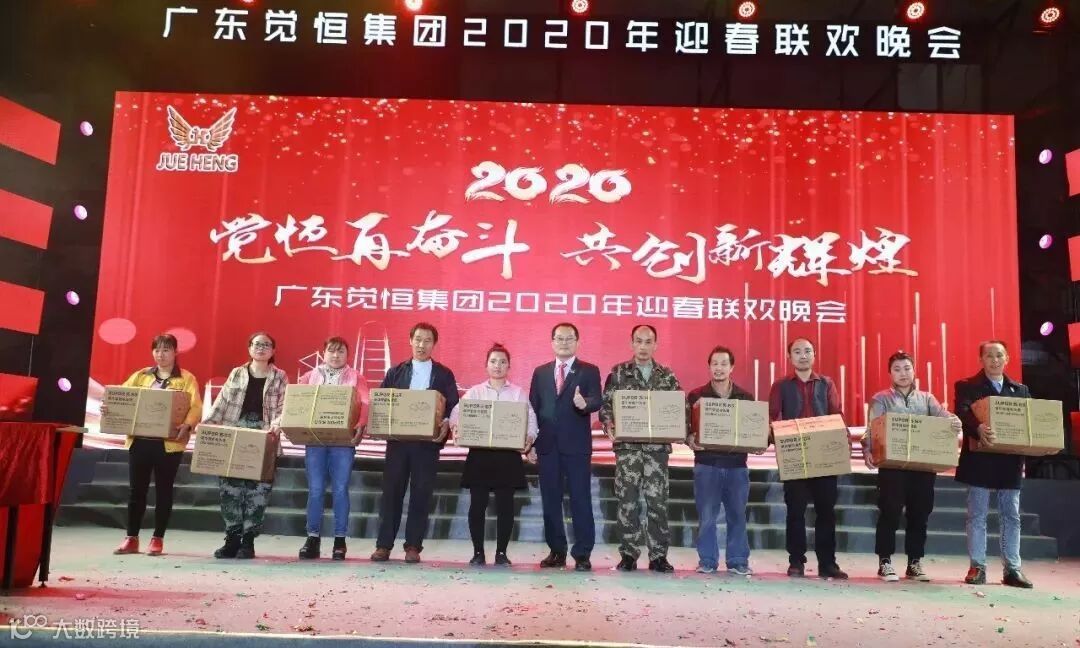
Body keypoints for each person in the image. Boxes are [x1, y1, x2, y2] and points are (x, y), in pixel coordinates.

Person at [863, 351, 962, 582]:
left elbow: (944, 418)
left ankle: (914, 562)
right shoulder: (881, 399)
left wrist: (954, 421)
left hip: (922, 467)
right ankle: (884, 561)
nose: (903, 373)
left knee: (920, 514)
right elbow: (873, 428)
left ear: (914, 370)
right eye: (897, 369)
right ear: (890, 373)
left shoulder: (927, 399)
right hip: (892, 468)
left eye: (907, 368)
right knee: (890, 513)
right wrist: (868, 449)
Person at [370, 323, 459, 564]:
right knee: (391, 493)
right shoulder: (395, 372)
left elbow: (453, 405)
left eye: (427, 340)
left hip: (427, 445)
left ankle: (413, 546)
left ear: (434, 344)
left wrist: (446, 423)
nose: (422, 345)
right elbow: (381, 402)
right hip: (398, 443)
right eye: (418, 339)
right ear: (410, 341)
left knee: (421, 494)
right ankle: (383, 545)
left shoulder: (443, 374)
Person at [109, 333, 203, 557]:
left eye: (166, 350)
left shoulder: (186, 378)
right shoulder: (141, 376)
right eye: (157, 350)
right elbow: (121, 396)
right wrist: (110, 407)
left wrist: (188, 424)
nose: (161, 355)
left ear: (175, 352)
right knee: (136, 491)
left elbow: (195, 407)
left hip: (168, 445)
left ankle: (157, 538)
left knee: (164, 491)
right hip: (140, 442)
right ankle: (131, 538)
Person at [600, 324, 681, 573]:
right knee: (628, 503)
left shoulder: (667, 375)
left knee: (658, 503)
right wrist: (608, 424)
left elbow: (679, 409)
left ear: (656, 345)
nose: (643, 346)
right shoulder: (618, 373)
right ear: (631, 343)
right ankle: (628, 555)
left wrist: (680, 428)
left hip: (656, 452)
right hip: (628, 451)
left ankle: (659, 556)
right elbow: (606, 406)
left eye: (648, 341)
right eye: (638, 341)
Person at [449, 343, 538, 567]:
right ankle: (478, 552)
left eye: (502, 362)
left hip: (507, 457)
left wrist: (529, 438)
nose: (498, 365)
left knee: (506, 507)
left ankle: (501, 553)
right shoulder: (475, 392)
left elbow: (531, 419)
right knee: (477, 506)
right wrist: (456, 427)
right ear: (486, 365)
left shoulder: (518, 393)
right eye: (493, 361)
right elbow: (457, 413)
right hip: (480, 456)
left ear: (509, 366)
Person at [767, 337, 850, 579]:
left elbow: (836, 415)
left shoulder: (826, 384)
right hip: (795, 457)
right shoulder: (781, 386)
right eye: (797, 351)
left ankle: (828, 563)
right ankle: (796, 561)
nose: (803, 355)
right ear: (789, 357)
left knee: (826, 512)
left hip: (824, 456)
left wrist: (843, 442)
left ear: (814, 355)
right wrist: (771, 434)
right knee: (795, 512)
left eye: (807, 351)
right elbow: (772, 417)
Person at [954, 340, 1034, 588]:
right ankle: (977, 567)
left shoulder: (1020, 390)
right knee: (977, 515)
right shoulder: (967, 386)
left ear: (1007, 358)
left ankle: (1013, 569)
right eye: (989, 355)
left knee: (1011, 515)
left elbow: (1029, 422)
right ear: (981, 359)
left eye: (999, 355)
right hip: (979, 459)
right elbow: (963, 411)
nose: (994, 360)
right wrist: (978, 427)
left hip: (1009, 462)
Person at [204, 332, 288, 559]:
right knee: (229, 490)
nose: (261, 348)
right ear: (249, 348)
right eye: (256, 344)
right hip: (235, 433)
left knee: (258, 492)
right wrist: (207, 425)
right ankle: (232, 539)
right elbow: (222, 401)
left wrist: (276, 426)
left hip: (264, 435)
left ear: (273, 351)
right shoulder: (237, 373)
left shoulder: (280, 376)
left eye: (266, 345)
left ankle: (248, 541)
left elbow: (284, 407)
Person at [529, 322, 602, 572]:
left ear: (577, 342)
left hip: (576, 447)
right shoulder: (540, 372)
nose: (564, 343)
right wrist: (531, 442)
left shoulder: (589, 370)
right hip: (547, 446)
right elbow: (533, 408)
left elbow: (597, 400)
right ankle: (556, 551)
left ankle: (582, 554)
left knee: (581, 499)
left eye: (569, 338)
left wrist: (585, 404)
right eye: (559, 338)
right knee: (550, 500)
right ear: (552, 342)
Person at [291, 336, 369, 561]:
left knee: (340, 489)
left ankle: (340, 540)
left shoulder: (356, 377)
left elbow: (365, 403)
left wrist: (360, 425)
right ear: (323, 353)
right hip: (315, 441)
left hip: (343, 443)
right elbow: (297, 403)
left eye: (341, 351)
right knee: (315, 489)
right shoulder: (309, 376)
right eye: (331, 351)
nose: (336, 355)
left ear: (348, 354)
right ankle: (312, 538)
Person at [685, 345, 758, 576]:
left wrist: (758, 441)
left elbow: (753, 429)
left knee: (737, 515)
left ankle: (738, 560)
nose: (719, 368)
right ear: (709, 367)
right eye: (715, 363)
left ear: (732, 367)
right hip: (707, 465)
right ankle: (707, 560)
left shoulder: (745, 398)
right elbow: (686, 428)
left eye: (724, 363)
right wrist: (689, 439)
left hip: (737, 466)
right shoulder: (696, 396)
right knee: (707, 516)